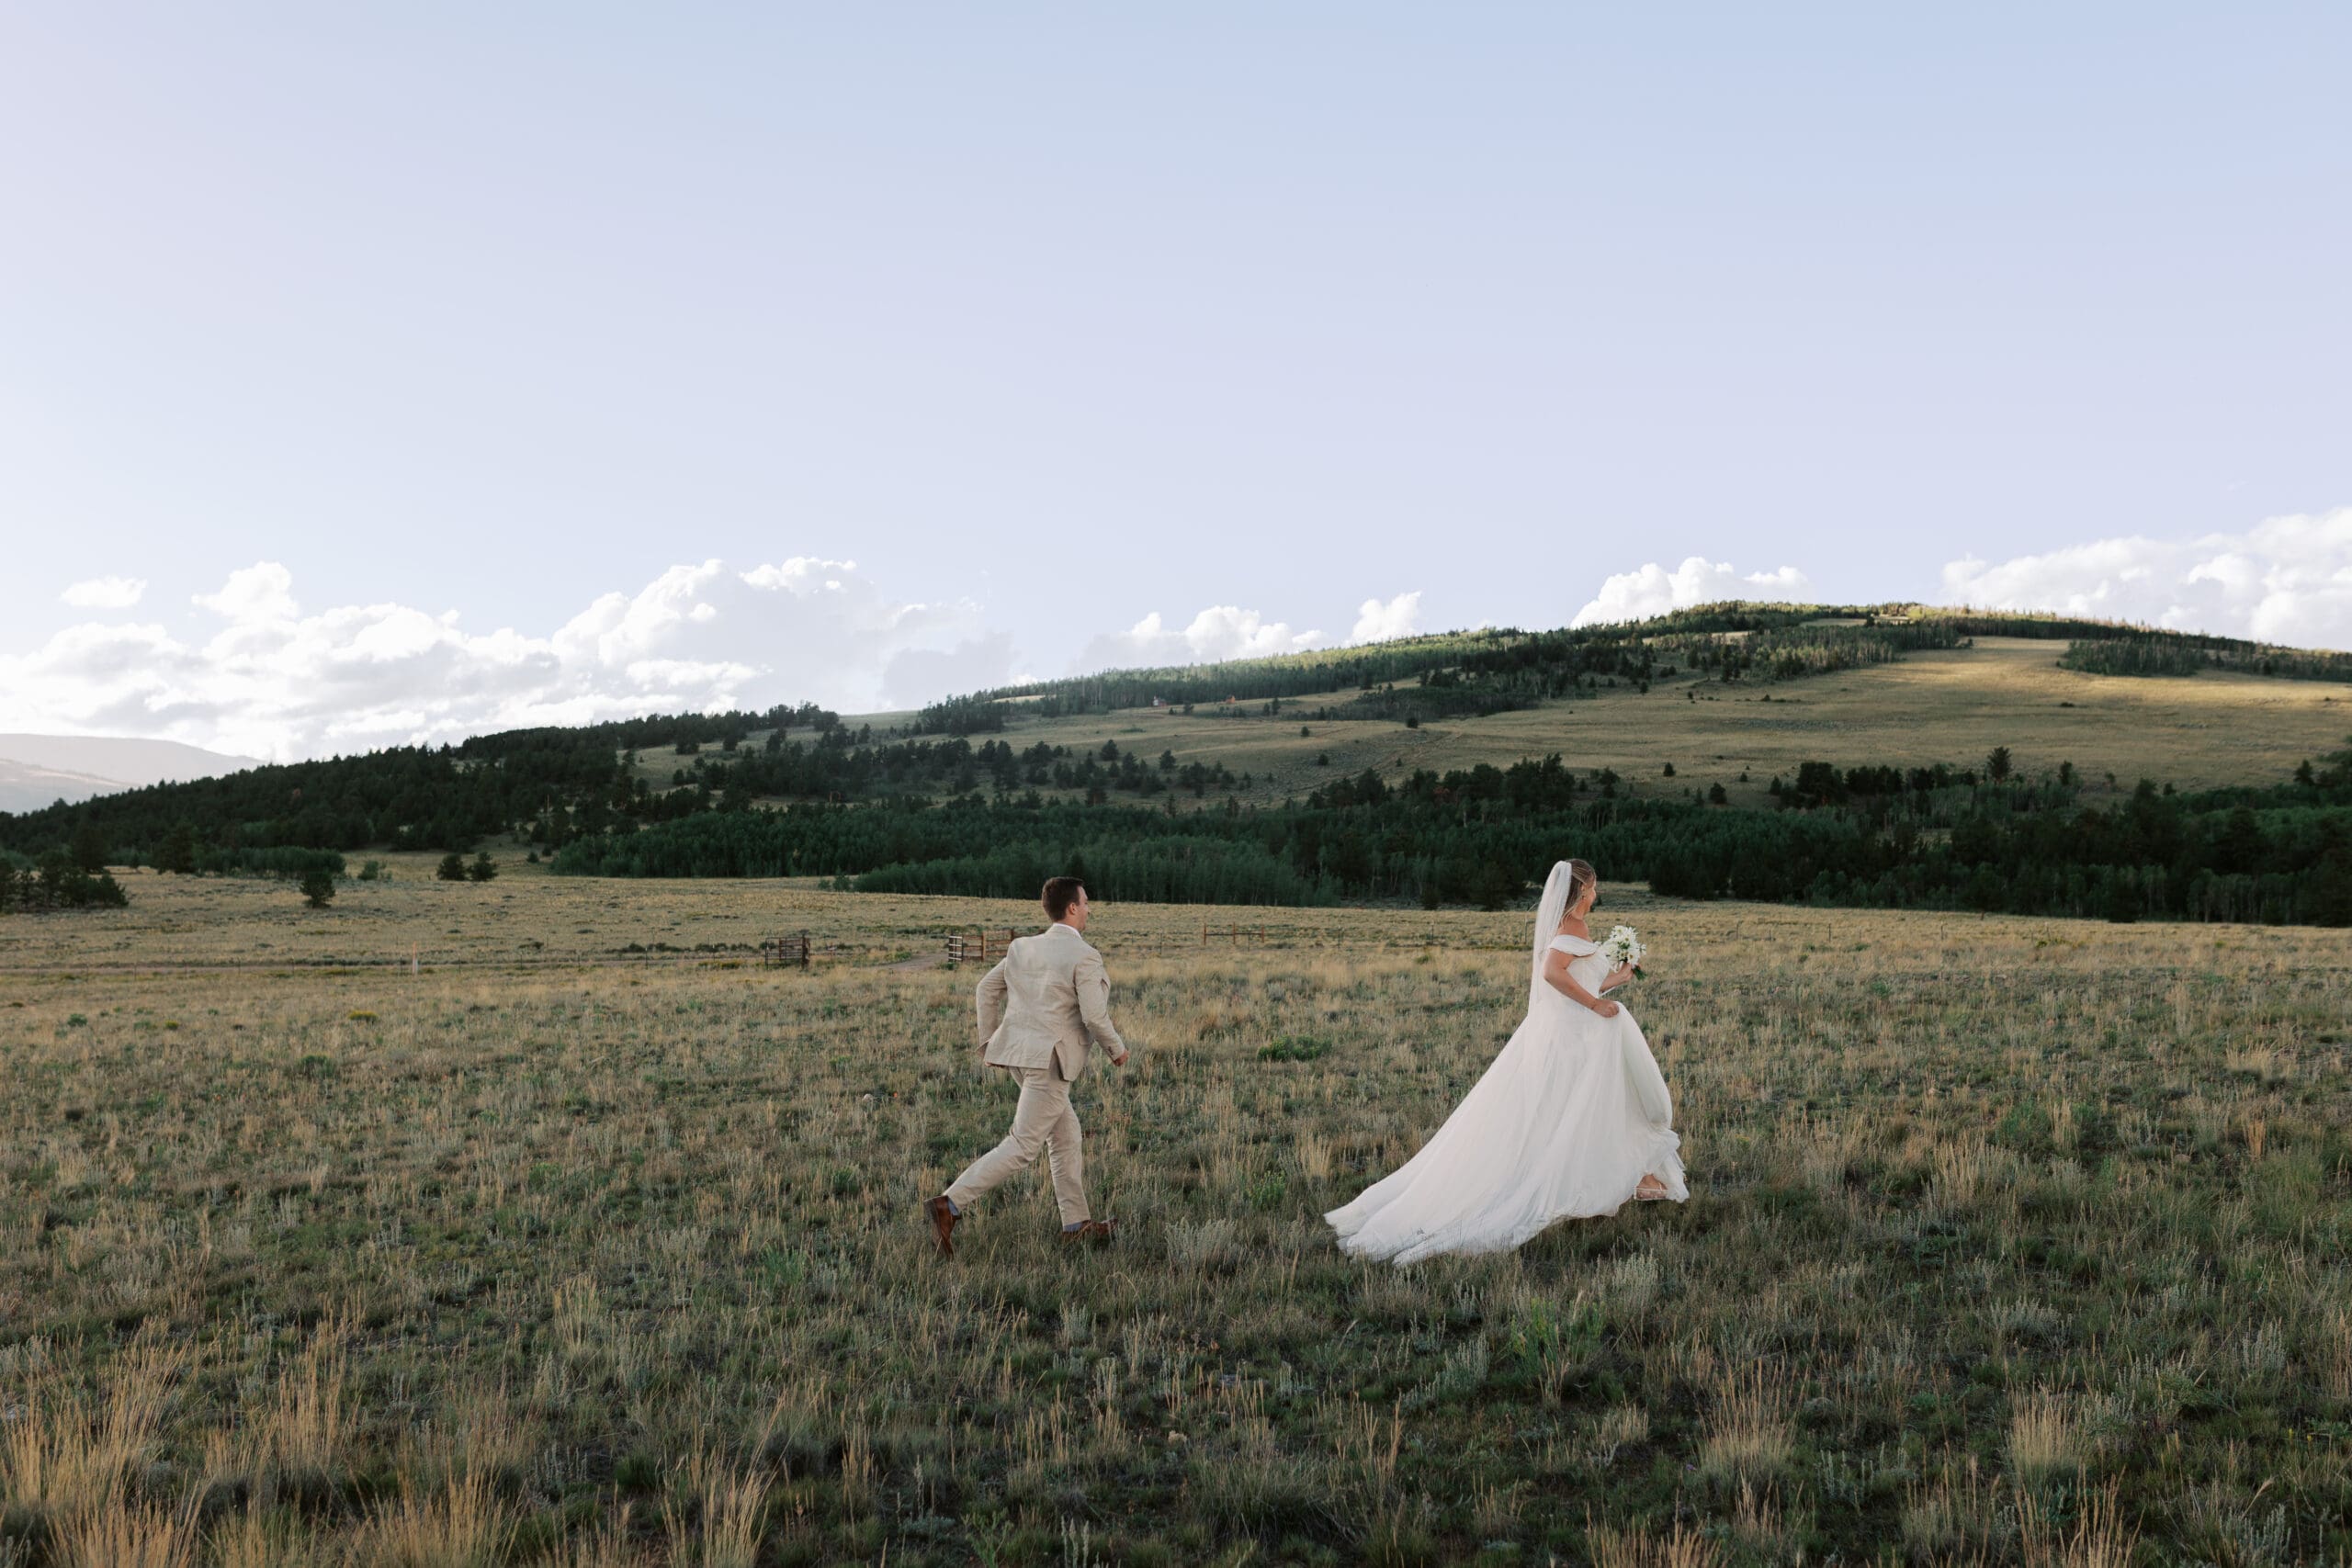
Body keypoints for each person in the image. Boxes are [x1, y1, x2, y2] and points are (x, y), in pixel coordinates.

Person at [1324, 858, 1685, 1265]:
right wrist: (1595, 1004)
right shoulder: (1573, 927)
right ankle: (1604, 1181)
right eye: (1594, 888)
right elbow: (1552, 973)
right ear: (1580, 892)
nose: (1597, 894)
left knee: (1584, 1110)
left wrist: (1615, 980)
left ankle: (1631, 1179)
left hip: (1573, 1032)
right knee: (1588, 1108)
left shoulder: (1571, 927)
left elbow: (1576, 976)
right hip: (1573, 1036)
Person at [922, 876, 1128, 1256]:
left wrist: (989, 1042)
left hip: (1022, 1056)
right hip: (1049, 1062)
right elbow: (1095, 1016)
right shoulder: (1084, 955)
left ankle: (1077, 1223)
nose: (1088, 909)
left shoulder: (1023, 948)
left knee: (1066, 1137)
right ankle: (948, 1205)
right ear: (1071, 908)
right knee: (1022, 1146)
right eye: (1085, 903)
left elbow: (986, 988)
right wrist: (1117, 1049)